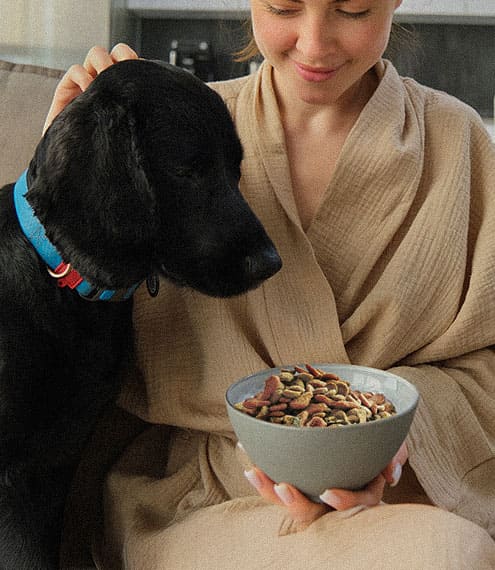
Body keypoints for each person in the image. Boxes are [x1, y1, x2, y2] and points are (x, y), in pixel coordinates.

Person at [45, 1, 495, 568]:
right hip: (203, 499)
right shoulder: (169, 140)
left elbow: (486, 363)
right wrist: (72, 175)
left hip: (411, 483)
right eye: (284, 7)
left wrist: (370, 437)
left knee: (446, 549)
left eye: (352, 9)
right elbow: (60, 348)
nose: (315, 43)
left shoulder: (457, 144)